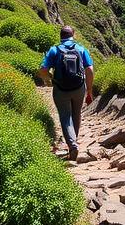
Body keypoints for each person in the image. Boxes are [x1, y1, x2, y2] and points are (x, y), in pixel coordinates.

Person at [38, 25, 94, 162]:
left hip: (60, 89)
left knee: (65, 116)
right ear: (72, 35)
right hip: (79, 88)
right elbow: (90, 70)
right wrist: (89, 91)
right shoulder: (81, 49)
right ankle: (73, 143)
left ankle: (72, 144)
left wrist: (51, 79)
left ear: (61, 36)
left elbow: (43, 70)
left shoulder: (54, 50)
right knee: (76, 114)